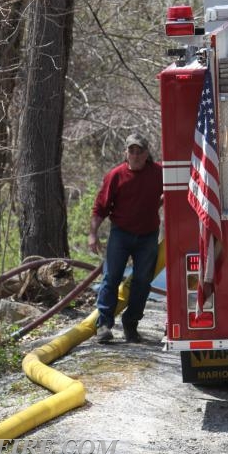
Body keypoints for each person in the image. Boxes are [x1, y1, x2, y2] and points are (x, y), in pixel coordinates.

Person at [89, 133, 163, 343]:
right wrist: (93, 235)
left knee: (142, 281)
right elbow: (100, 207)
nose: (136, 155)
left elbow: (171, 192)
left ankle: (131, 325)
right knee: (111, 277)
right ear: (126, 153)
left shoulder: (158, 173)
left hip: (147, 235)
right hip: (120, 234)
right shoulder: (116, 175)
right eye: (132, 151)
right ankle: (104, 325)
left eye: (140, 151)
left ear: (147, 154)